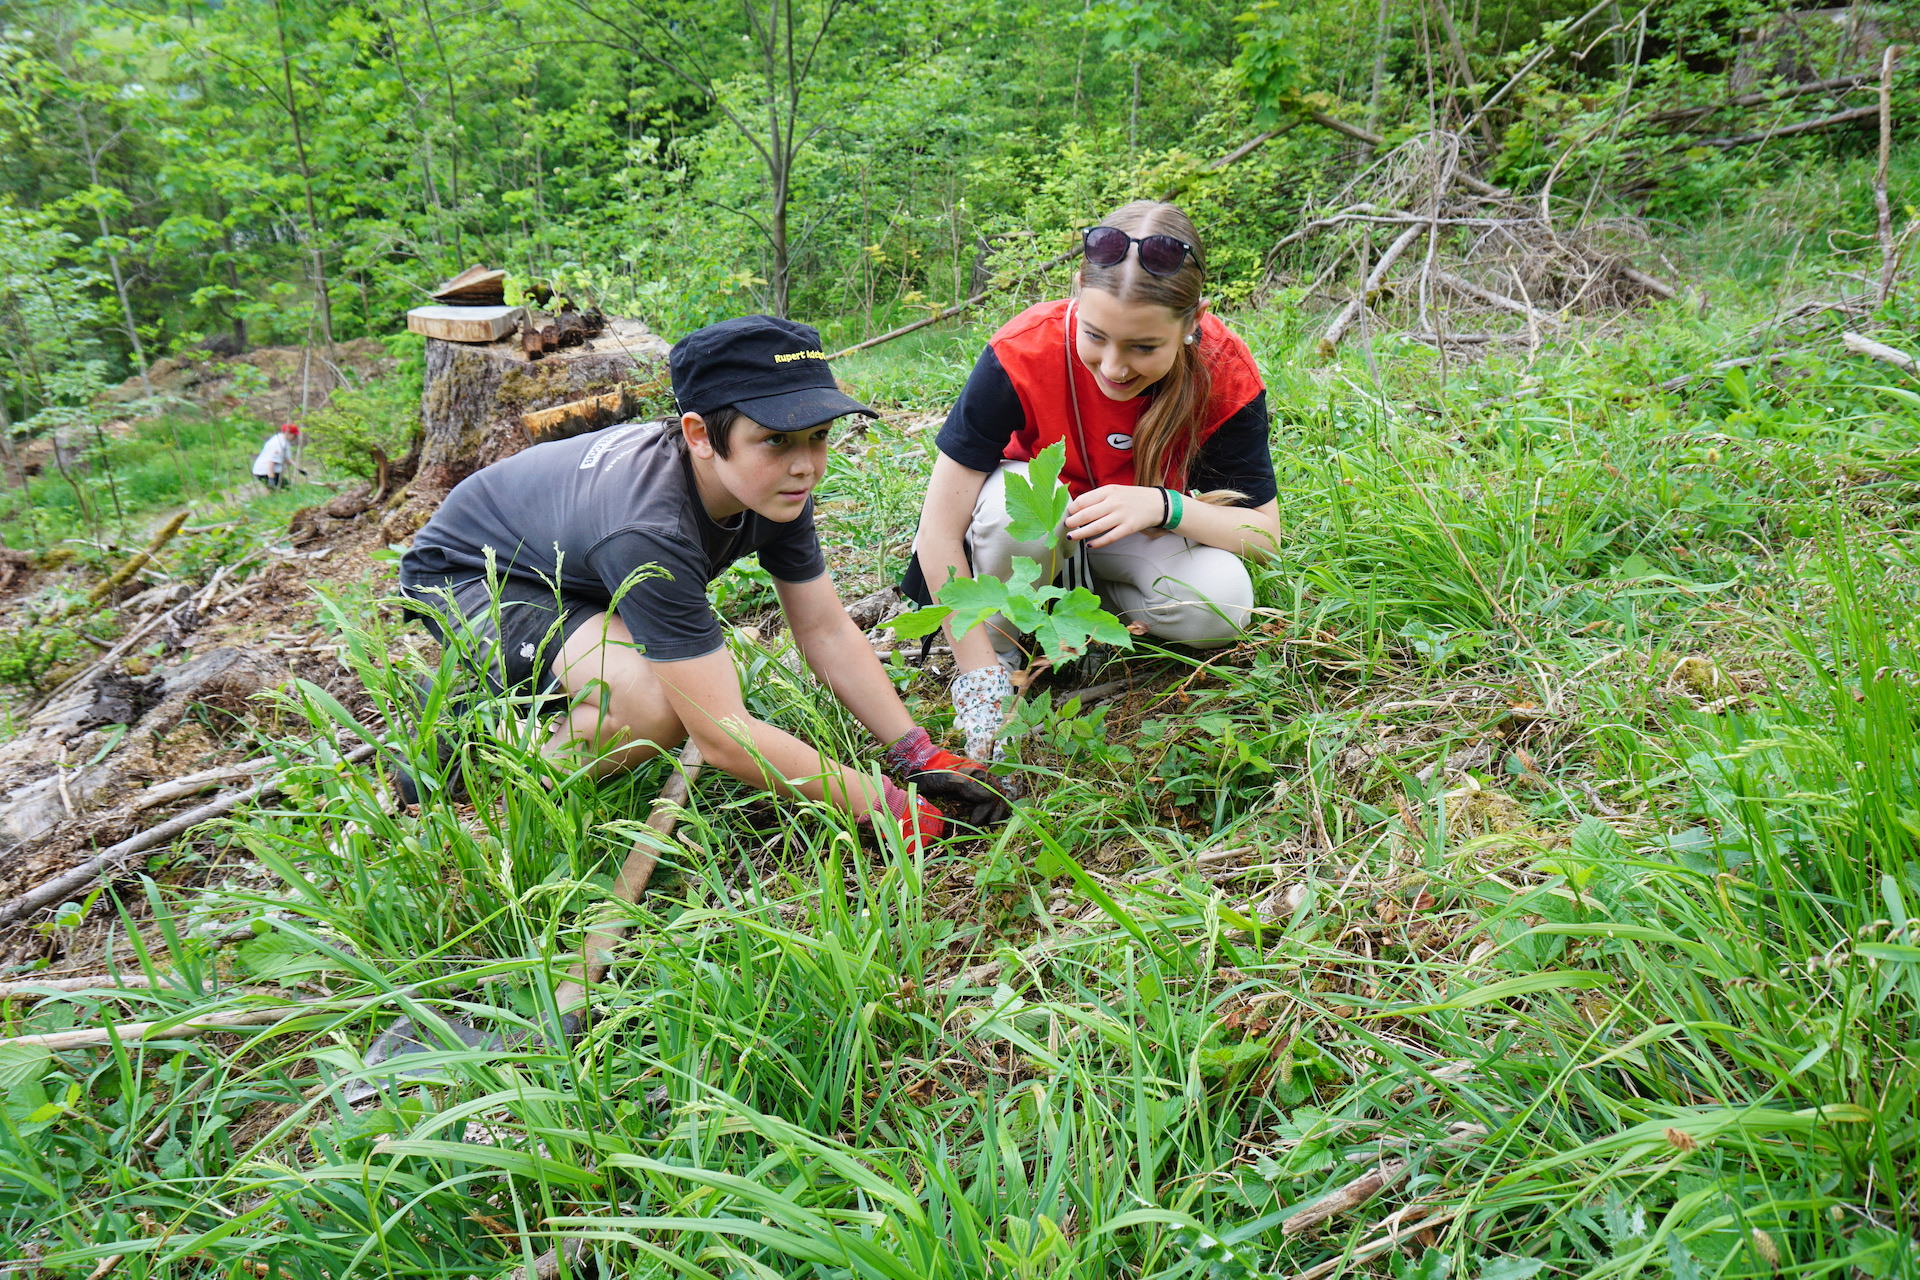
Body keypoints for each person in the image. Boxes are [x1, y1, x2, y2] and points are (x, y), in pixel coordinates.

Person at [396, 314, 1011, 844]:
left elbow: (825, 630)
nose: (806, 464)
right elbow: (720, 735)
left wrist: (915, 753)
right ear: (699, 435)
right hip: (474, 572)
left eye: (818, 436)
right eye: (775, 439)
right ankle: (491, 777)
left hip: (581, 566)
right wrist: (885, 808)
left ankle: (543, 695)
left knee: (669, 679)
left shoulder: (774, 485)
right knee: (650, 705)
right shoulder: (650, 530)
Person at [907, 200, 1281, 760]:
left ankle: (1089, 621)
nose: (1113, 366)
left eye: (1144, 347)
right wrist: (979, 681)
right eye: (1097, 336)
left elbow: (1266, 538)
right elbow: (936, 532)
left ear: (1193, 321)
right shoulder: (1021, 353)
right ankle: (1005, 651)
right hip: (1028, 541)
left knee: (1223, 601)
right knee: (1020, 518)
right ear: (1077, 290)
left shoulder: (1222, 369)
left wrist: (1164, 507)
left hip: (1133, 535)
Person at [252, 422, 299, 490]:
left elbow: (285, 458)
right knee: (285, 490)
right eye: (294, 435)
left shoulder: (283, 440)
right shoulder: (278, 444)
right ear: (288, 433)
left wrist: (298, 468)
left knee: (286, 489)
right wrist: (271, 479)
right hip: (265, 472)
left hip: (272, 471)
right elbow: (271, 462)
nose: (295, 437)